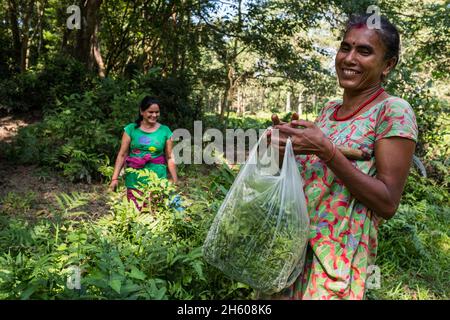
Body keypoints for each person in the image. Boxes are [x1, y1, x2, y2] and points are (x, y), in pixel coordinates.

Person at [270, 14, 418, 299]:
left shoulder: (392, 111)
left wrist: (327, 150)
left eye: (364, 51)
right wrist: (282, 149)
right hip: (290, 250)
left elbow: (387, 203)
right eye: (345, 47)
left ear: (388, 65)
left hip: (335, 260)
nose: (349, 58)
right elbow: (308, 178)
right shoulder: (329, 110)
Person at [109, 96, 178, 209]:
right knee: (134, 210)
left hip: (157, 178)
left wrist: (175, 180)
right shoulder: (131, 129)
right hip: (134, 177)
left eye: (157, 112)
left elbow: (170, 157)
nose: (154, 115)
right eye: (150, 112)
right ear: (142, 111)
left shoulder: (165, 131)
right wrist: (114, 178)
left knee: (154, 210)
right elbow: (122, 154)